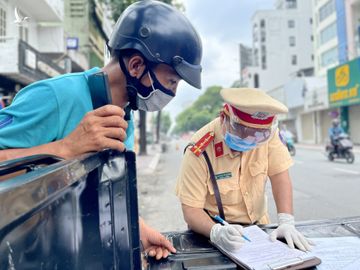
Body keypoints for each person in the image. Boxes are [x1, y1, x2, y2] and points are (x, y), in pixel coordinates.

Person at [0, 0, 202, 259]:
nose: (172, 92)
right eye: (171, 80)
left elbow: (105, 190)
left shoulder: (124, 115)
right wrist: (63, 149)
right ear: (137, 65)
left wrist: (140, 230)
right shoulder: (56, 96)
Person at [175, 88, 312, 252]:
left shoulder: (266, 137)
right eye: (243, 131)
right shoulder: (200, 149)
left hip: (260, 228)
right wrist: (216, 232)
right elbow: (191, 209)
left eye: (259, 135)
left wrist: (286, 221)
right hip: (214, 232)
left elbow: (279, 176)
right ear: (223, 118)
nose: (251, 139)